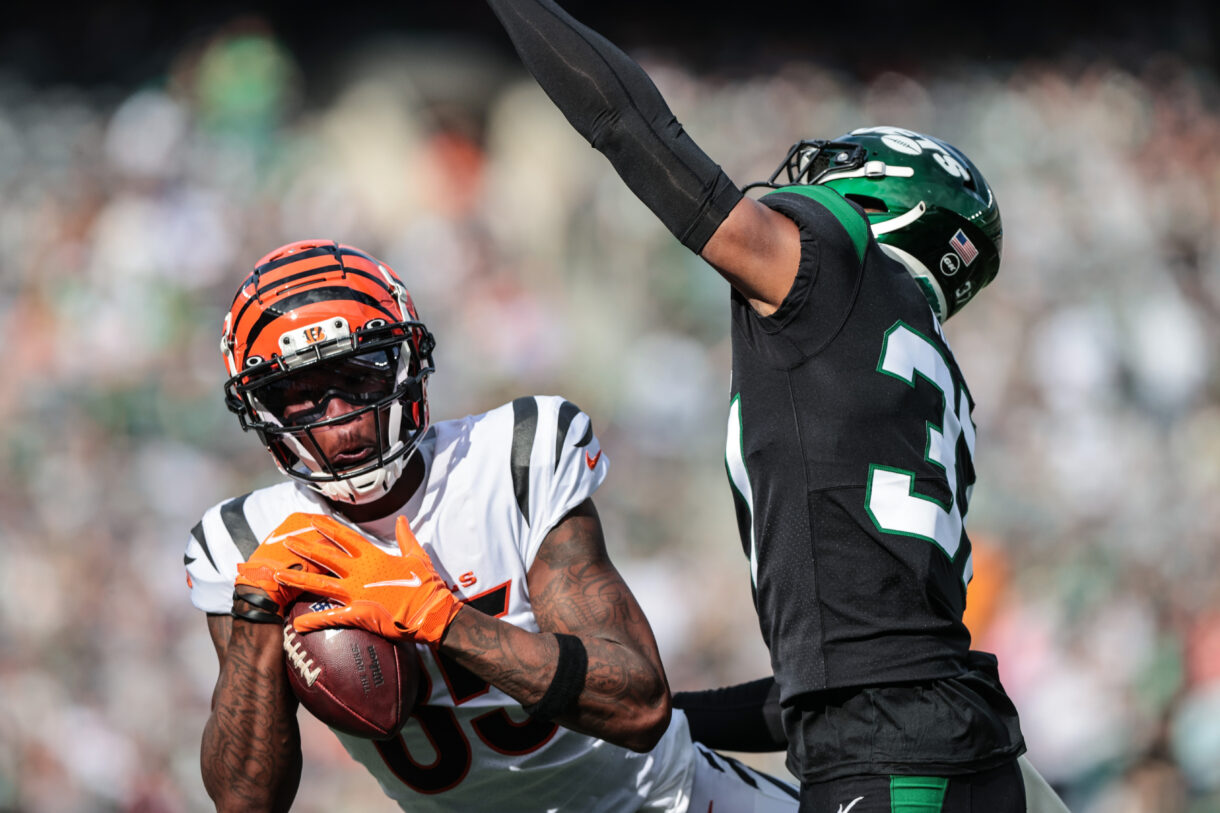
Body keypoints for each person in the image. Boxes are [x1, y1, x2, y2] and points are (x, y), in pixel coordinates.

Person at [480, 2, 1070, 812]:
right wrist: (656, 715)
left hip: (894, 768)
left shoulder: (841, 267)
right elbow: (844, 672)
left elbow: (631, 126)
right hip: (959, 749)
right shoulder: (917, 364)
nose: (803, 193)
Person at [186, 239, 799, 812]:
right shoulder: (244, 542)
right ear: (261, 411)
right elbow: (245, 801)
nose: (342, 419)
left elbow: (638, 705)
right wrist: (256, 624)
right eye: (302, 393)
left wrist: (440, 618)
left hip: (663, 801)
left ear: (407, 364)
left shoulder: (512, 457)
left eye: (358, 376)